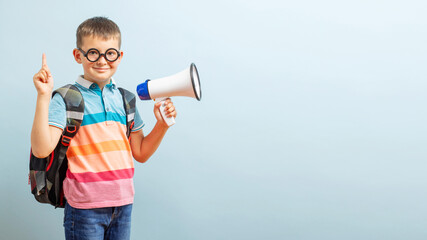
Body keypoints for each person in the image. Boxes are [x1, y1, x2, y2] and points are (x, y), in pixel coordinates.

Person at [31, 16, 176, 240]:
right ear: (78, 55)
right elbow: (41, 150)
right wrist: (43, 96)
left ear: (120, 56)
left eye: (110, 53)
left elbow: (141, 153)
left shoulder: (125, 99)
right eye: (93, 53)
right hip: (84, 208)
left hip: (123, 204)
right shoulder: (67, 98)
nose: (102, 61)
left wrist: (162, 125)